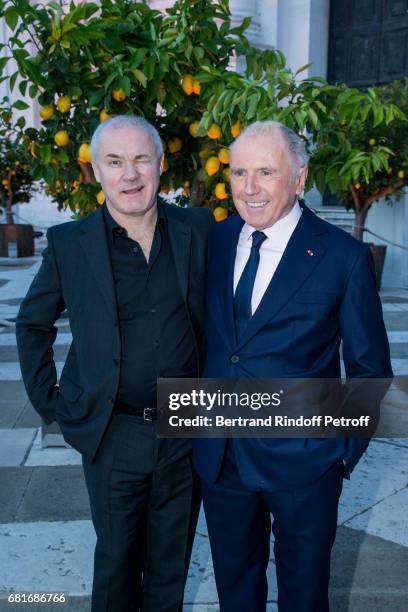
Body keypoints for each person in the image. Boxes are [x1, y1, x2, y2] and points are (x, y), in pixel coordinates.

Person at [193, 120, 392, 611]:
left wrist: (341, 452)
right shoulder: (212, 243)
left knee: (304, 597)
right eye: (239, 173)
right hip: (221, 459)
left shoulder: (342, 257)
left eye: (266, 172)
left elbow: (370, 369)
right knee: (235, 592)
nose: (249, 188)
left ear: (299, 179)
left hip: (306, 464)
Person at [16, 115, 213, 612]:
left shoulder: (197, 230)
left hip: (185, 426)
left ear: (161, 165)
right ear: (97, 172)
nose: (130, 174)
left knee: (172, 563)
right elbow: (32, 325)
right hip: (112, 430)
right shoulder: (68, 244)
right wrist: (54, 404)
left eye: (141, 159)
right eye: (116, 162)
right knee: (117, 564)